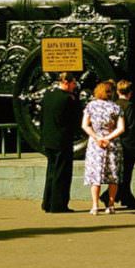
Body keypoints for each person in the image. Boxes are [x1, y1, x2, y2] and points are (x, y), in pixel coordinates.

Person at [82, 80, 125, 215]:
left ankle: (95, 206)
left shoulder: (90, 106)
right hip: (112, 144)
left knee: (96, 176)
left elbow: (85, 125)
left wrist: (97, 138)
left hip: (95, 145)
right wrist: (108, 138)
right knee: (113, 175)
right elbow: (121, 128)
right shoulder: (116, 108)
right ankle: (111, 205)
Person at [103, 79, 135, 209]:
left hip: (115, 142)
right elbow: (133, 126)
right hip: (128, 144)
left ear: (117, 91)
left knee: (119, 172)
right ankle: (117, 197)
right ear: (130, 93)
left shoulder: (113, 105)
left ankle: (123, 197)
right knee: (126, 173)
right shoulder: (130, 106)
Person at [41, 72, 80, 213]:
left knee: (51, 171)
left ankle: (47, 202)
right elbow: (74, 121)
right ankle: (58, 204)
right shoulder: (69, 99)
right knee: (62, 173)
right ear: (67, 82)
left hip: (48, 138)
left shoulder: (48, 96)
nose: (74, 86)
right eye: (73, 83)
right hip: (62, 139)